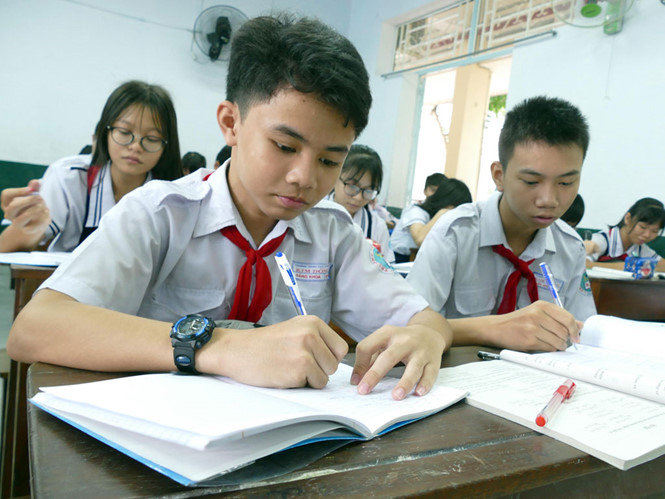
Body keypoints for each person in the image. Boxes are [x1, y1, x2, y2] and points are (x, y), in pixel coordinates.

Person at [8, 14, 452, 401]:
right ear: (230, 123)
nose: (304, 177)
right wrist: (219, 346)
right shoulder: (160, 213)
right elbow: (34, 329)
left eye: (329, 160)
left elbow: (427, 320)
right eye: (284, 146)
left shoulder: (332, 232)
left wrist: (426, 337)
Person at [407, 95, 597, 353]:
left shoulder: (570, 248)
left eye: (566, 183)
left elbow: (583, 334)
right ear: (499, 175)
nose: (548, 200)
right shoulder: (456, 233)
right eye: (531, 182)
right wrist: (495, 329)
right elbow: (409, 324)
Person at [0, 81, 183, 253]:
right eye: (124, 132)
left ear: (166, 146)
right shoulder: (69, 177)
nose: (135, 146)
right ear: (105, 132)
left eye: (151, 139)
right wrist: (29, 227)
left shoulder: (171, 198)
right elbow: (6, 247)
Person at [327, 144, 394, 262]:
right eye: (352, 186)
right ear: (335, 177)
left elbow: (386, 268)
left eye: (368, 190)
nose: (358, 198)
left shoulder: (377, 227)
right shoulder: (311, 214)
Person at [389, 178, 472, 263]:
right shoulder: (416, 211)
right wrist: (443, 212)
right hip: (399, 259)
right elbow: (420, 239)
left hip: (420, 259)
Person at [585, 197, 665, 271]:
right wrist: (621, 267)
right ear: (627, 218)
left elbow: (662, 265)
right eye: (642, 227)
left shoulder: (639, 248)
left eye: (654, 231)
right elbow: (583, 264)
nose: (647, 235)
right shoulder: (602, 240)